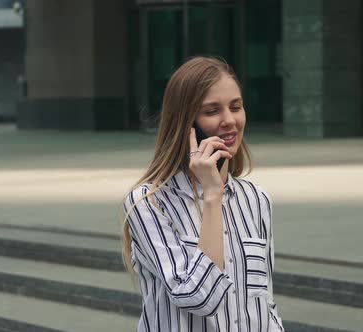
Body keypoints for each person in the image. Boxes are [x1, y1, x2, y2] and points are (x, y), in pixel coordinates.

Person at [122, 56, 284, 332]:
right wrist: (212, 196)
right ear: (185, 124)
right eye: (212, 111)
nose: (229, 121)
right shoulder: (148, 203)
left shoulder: (256, 199)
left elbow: (264, 302)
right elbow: (199, 298)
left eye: (236, 107)